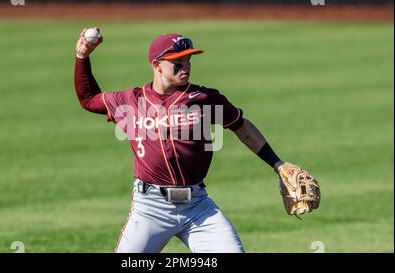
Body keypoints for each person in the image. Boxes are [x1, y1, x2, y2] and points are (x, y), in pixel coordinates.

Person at [74, 28, 287, 253]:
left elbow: (241, 126)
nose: (186, 66)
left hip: (198, 207)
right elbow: (88, 99)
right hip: (150, 208)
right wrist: (82, 57)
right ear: (157, 65)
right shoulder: (131, 101)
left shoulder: (204, 99)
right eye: (178, 61)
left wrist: (278, 164)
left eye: (188, 60)